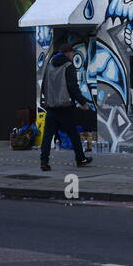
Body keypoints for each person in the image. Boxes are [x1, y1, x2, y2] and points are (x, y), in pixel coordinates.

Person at [39, 43, 94, 172]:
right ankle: (80, 159)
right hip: (65, 107)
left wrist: (47, 100)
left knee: (47, 136)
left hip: (51, 107)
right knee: (73, 134)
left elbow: (43, 86)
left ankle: (44, 162)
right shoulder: (68, 66)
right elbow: (73, 87)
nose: (73, 55)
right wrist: (83, 103)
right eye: (72, 53)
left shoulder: (50, 65)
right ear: (68, 53)